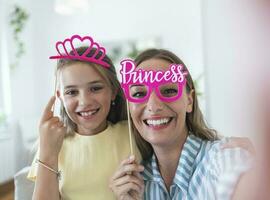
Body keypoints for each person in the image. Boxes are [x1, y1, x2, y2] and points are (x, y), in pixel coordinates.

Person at [110, 49, 252, 200]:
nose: (153, 106)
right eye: (139, 94)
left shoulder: (222, 158)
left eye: (168, 91)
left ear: (189, 101)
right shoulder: (135, 184)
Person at [28, 40, 137, 200]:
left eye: (95, 88)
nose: (85, 101)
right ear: (60, 97)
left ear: (113, 91)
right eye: (72, 92)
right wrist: (48, 154)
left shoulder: (134, 133)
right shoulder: (51, 144)